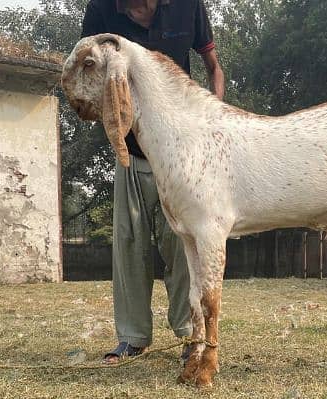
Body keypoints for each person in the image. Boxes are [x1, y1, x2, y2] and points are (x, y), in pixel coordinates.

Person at [81, 0, 225, 363]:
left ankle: (188, 336)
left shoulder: (188, 7)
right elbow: (88, 74)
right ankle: (132, 336)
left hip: (183, 160)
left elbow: (214, 68)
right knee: (129, 245)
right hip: (128, 152)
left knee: (184, 246)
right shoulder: (101, 11)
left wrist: (212, 120)